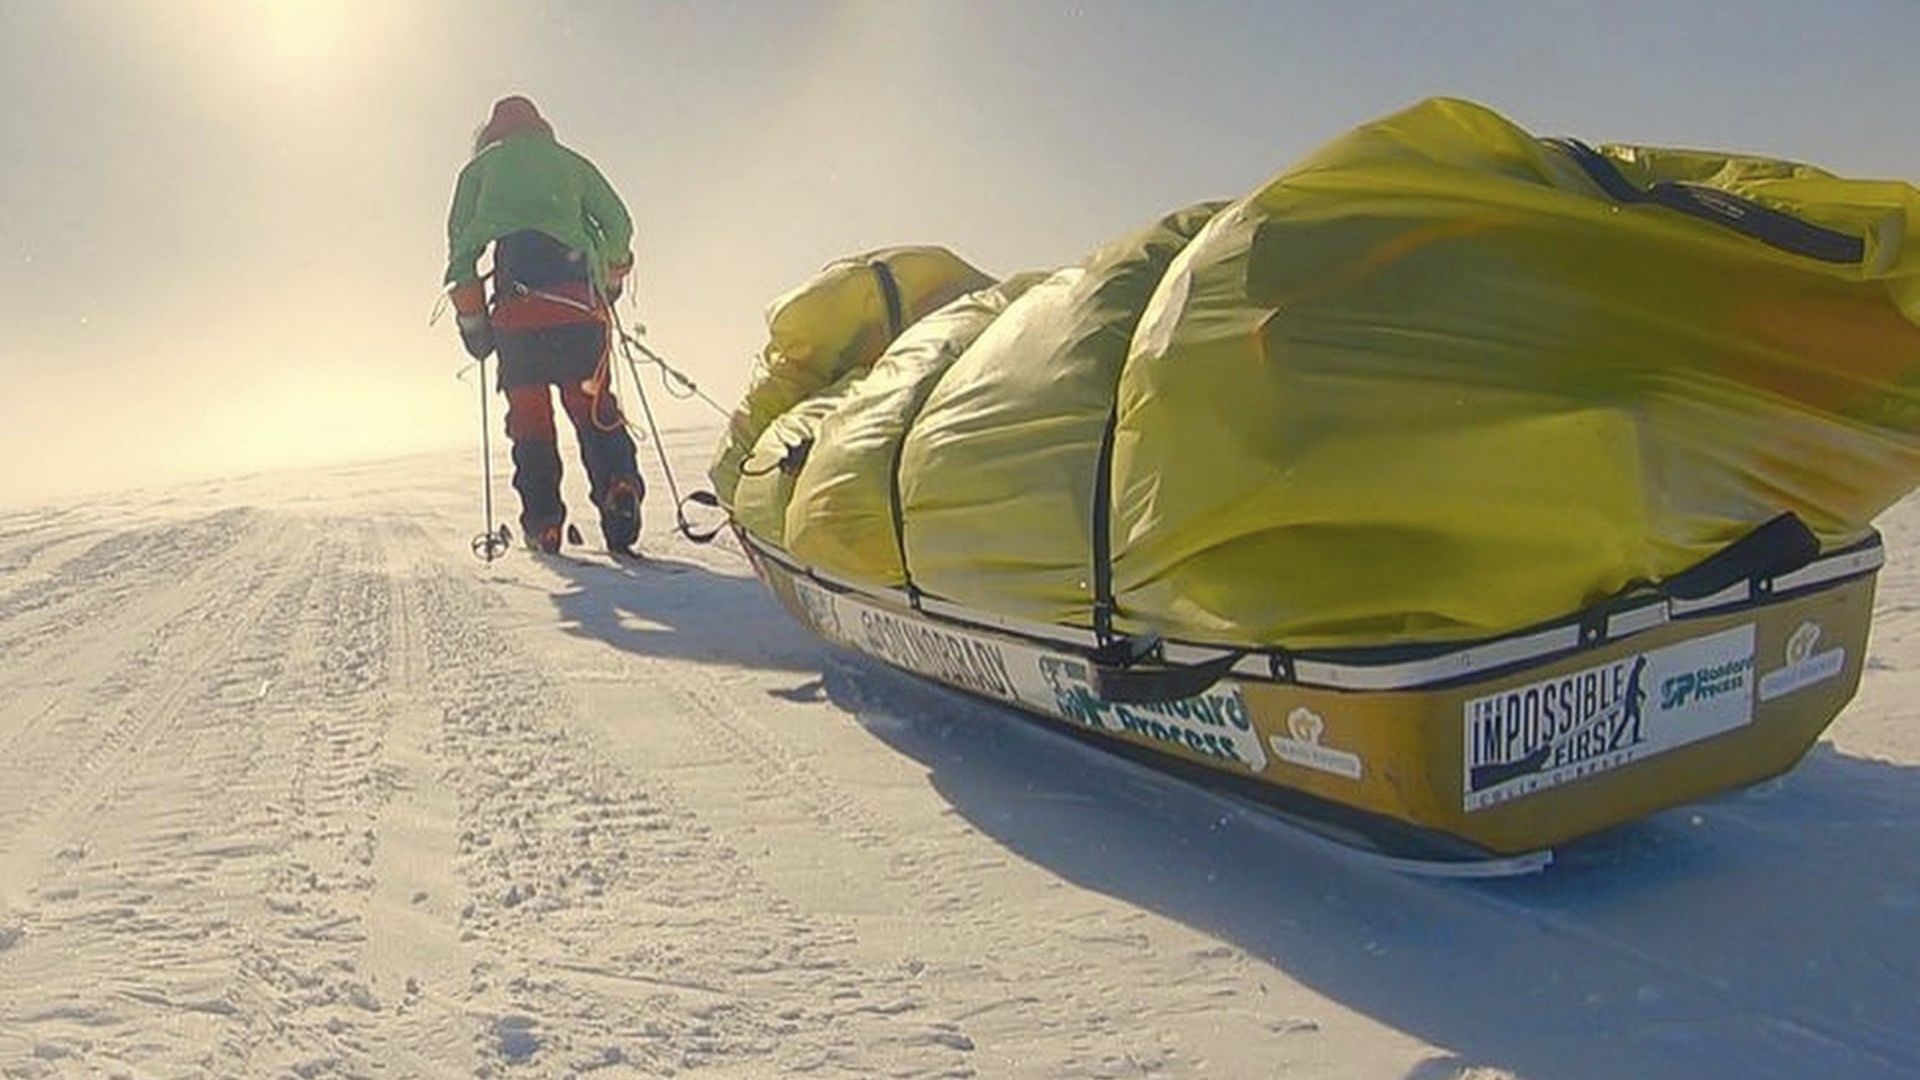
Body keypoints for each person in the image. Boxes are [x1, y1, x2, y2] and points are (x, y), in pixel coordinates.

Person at [444, 95, 645, 556]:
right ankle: (618, 486)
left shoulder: (479, 173)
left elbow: (461, 254)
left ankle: (544, 524)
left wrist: (473, 322)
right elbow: (618, 224)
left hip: (518, 316)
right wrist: (611, 278)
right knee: (594, 408)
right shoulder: (571, 165)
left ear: (491, 137)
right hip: (577, 308)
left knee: (530, 421)